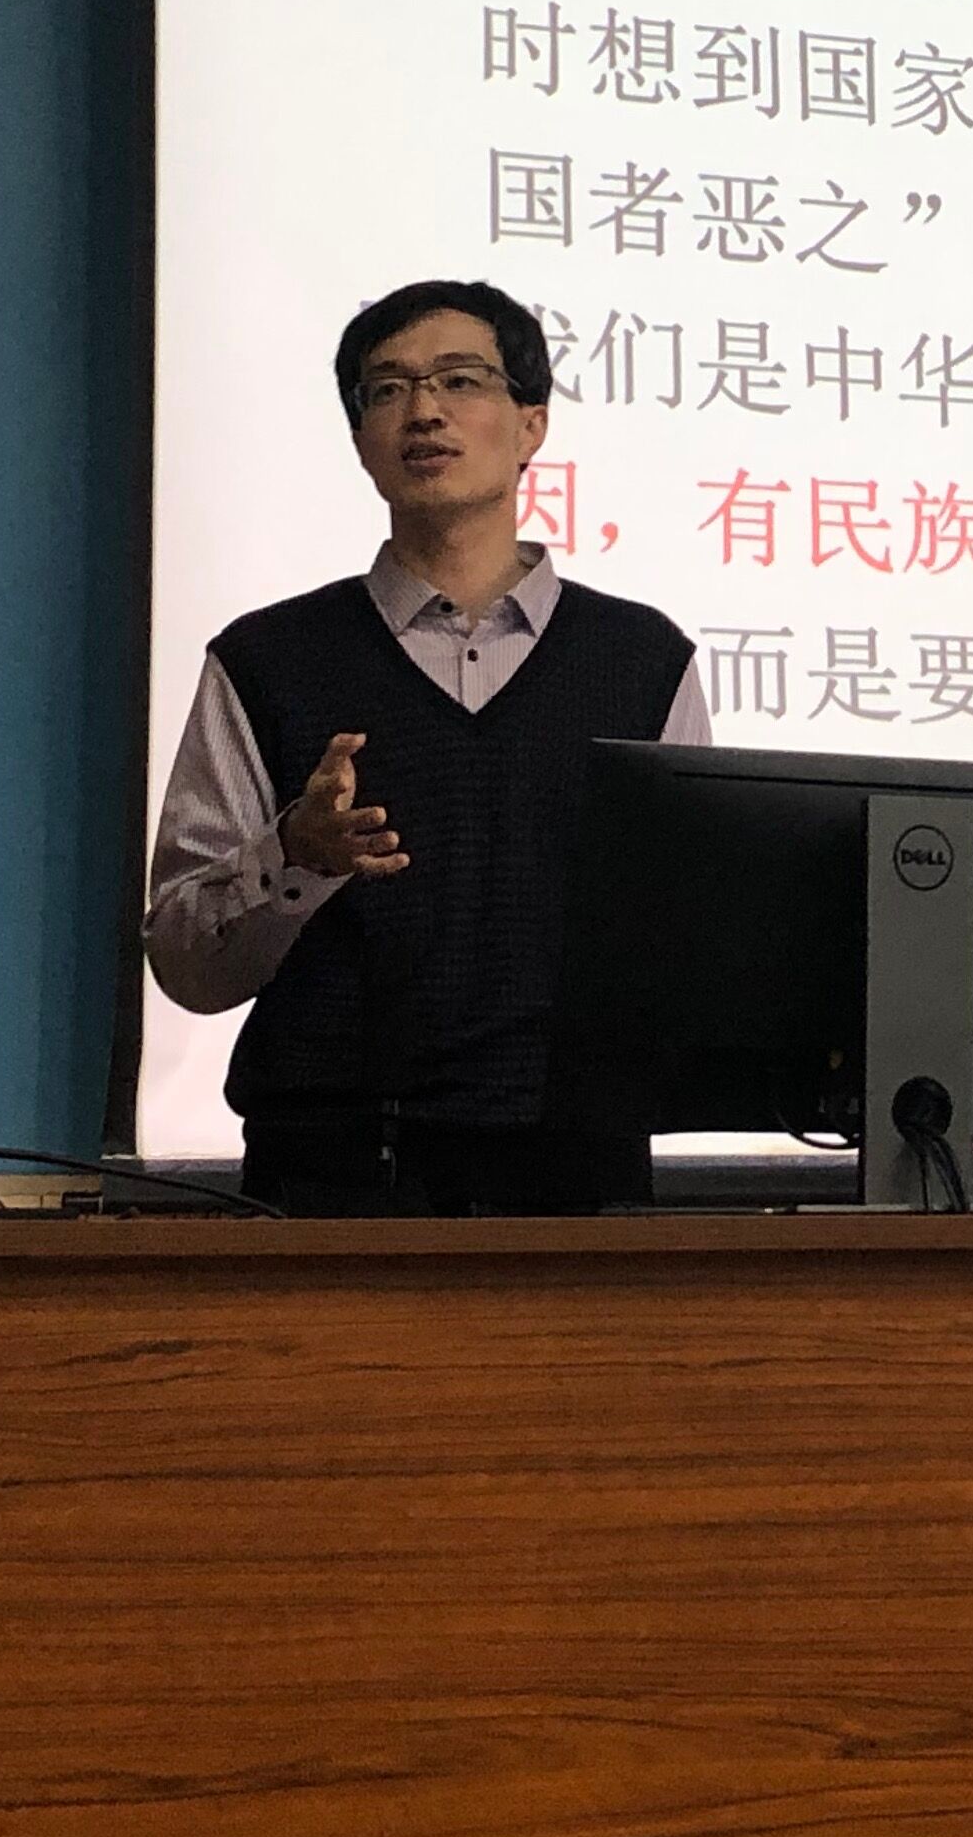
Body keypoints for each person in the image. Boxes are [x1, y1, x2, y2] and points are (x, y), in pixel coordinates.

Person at [144, 278, 707, 1215]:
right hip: (332, 1181)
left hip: (577, 1182)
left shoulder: (644, 661)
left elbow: (684, 941)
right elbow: (184, 965)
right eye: (388, 389)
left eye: (459, 380)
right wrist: (296, 855)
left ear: (532, 425)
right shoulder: (267, 659)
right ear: (361, 439)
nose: (424, 412)